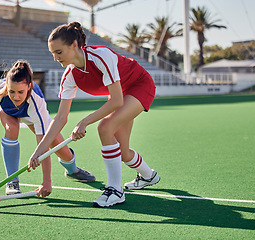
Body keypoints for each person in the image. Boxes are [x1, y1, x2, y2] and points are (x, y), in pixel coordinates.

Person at [28, 22, 160, 207]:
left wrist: (84, 122)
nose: (55, 58)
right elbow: (60, 118)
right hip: (120, 91)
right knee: (122, 152)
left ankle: (115, 190)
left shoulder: (101, 56)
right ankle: (149, 176)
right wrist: (38, 152)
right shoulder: (69, 76)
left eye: (59, 52)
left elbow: (116, 101)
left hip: (139, 85)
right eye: (52, 53)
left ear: (74, 45)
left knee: (105, 127)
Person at [0, 60, 95, 198]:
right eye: (11, 91)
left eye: (20, 92)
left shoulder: (36, 101)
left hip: (31, 115)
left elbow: (44, 143)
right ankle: (12, 181)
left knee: (61, 149)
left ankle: (73, 170)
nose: (15, 96)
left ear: (29, 87)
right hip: (8, 112)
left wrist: (46, 181)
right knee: (11, 129)